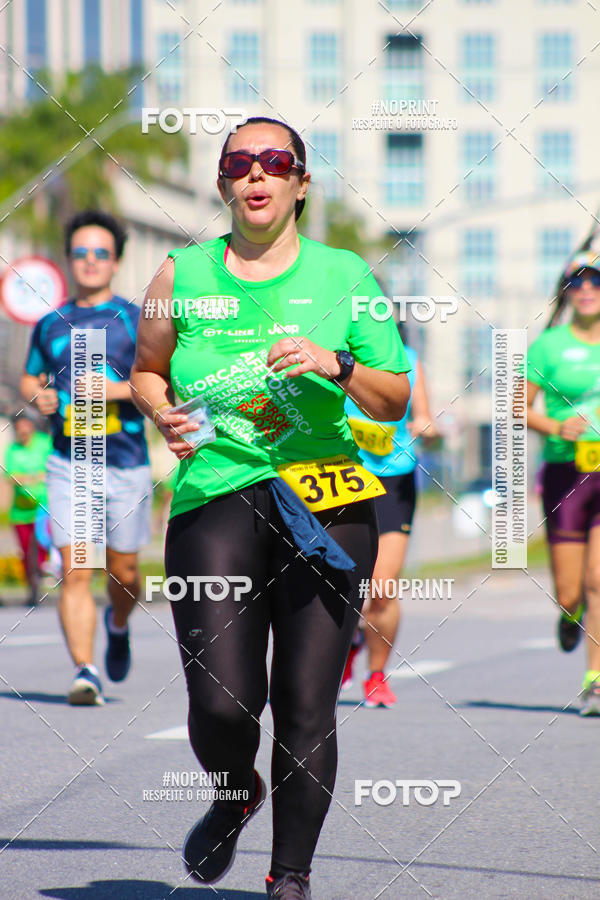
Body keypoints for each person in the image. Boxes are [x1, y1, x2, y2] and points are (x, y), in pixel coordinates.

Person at [130, 116, 410, 900]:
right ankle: (232, 790)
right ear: (224, 183)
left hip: (326, 498)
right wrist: (160, 410)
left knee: (305, 705)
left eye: (274, 161)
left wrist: (336, 361)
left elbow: (393, 399)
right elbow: (147, 370)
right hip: (215, 492)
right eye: (239, 163)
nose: (256, 174)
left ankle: (290, 878)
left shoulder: (346, 275)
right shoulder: (180, 274)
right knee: (221, 702)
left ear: (300, 183)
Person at [20, 210, 152, 706]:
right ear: (69, 260)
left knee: (125, 573)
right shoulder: (50, 323)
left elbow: (160, 384)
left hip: (126, 463)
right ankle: (85, 670)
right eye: (81, 253)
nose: (91, 261)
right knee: (76, 569)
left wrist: (115, 390)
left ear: (116, 262)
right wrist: (40, 397)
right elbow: (31, 377)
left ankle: (118, 623)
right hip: (70, 463)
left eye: (101, 253)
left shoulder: (136, 320)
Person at [343, 335, 437, 707]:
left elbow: (424, 418)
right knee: (341, 584)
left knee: (381, 587)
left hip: (393, 480)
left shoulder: (410, 360)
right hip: (340, 476)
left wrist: (427, 429)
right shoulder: (334, 355)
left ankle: (376, 675)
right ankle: (348, 641)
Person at [527, 250, 600, 716]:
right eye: (578, 283)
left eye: (596, 282)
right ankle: (569, 613)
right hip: (565, 474)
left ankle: (595, 680)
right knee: (571, 590)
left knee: (599, 580)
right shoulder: (548, 346)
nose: (588, 290)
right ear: (567, 292)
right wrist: (556, 428)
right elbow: (514, 405)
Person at [3, 412, 52, 605]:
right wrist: (34, 477)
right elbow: (12, 477)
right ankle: (32, 590)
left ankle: (43, 581)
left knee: (41, 547)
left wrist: (27, 478)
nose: (23, 430)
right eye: (19, 427)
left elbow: (50, 470)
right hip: (20, 511)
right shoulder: (12, 450)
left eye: (26, 426)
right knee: (26, 552)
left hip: (44, 508)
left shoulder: (44, 443)